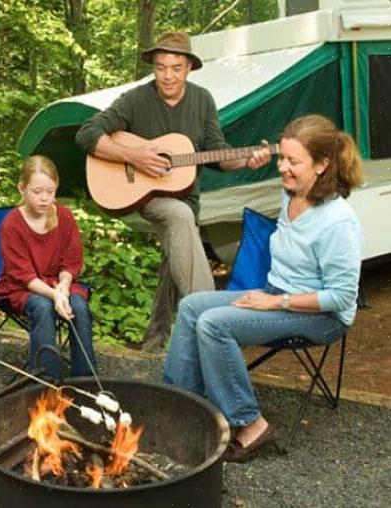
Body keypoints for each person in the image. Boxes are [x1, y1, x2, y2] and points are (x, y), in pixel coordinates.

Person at [163, 114, 364, 462]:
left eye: (292, 161)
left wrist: (276, 303)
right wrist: (272, 297)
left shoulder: (338, 222)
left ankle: (250, 424)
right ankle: (183, 406)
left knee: (214, 324)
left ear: (322, 164)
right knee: (194, 305)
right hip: (277, 292)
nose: (282, 167)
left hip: (321, 316)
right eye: (281, 158)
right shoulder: (292, 194)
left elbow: (341, 297)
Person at [75, 31, 272, 352]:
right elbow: (87, 133)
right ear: (153, 66)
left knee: (176, 258)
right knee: (178, 218)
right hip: (147, 197)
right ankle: (214, 317)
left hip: (185, 197)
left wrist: (247, 161)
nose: (168, 75)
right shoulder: (136, 99)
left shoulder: (202, 100)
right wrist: (134, 155)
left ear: (189, 68)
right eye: (161, 67)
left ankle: (154, 344)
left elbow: (218, 153)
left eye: (176, 68)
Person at [0, 155, 97, 380]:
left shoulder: (65, 217)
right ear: (22, 188)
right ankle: (44, 381)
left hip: (59, 283)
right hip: (23, 287)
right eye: (37, 191)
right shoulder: (12, 224)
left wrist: (63, 289)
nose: (44, 198)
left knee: (78, 305)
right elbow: (23, 275)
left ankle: (86, 378)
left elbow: (71, 262)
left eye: (50, 191)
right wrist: (54, 295)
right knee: (42, 306)